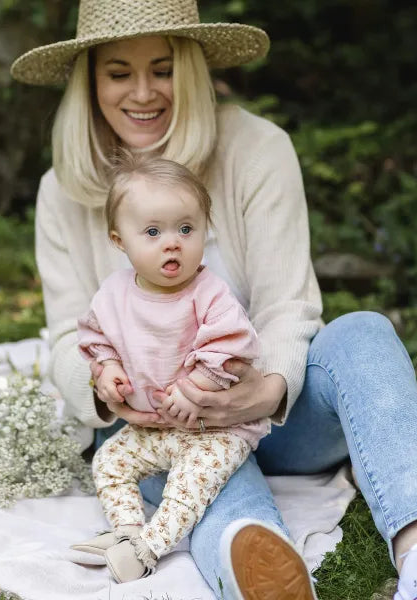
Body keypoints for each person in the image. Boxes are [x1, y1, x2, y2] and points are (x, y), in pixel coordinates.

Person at [10, 1, 417, 598]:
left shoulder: (257, 148)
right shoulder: (62, 191)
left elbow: (290, 304)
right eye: (118, 72)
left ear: (189, 69)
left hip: (274, 415)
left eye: (161, 68)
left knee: (363, 330)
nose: (142, 92)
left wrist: (265, 391)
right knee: (200, 478)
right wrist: (105, 388)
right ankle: (262, 566)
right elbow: (66, 338)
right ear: (90, 81)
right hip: (159, 423)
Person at [71, 152, 270, 583]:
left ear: (204, 230)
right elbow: (94, 337)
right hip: (151, 427)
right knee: (108, 460)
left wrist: (195, 384)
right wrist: (105, 370)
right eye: (153, 231)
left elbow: (231, 347)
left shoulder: (209, 293)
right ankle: (126, 531)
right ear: (119, 240)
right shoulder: (113, 294)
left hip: (213, 429)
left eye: (186, 228)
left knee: (188, 484)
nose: (173, 242)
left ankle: (148, 549)